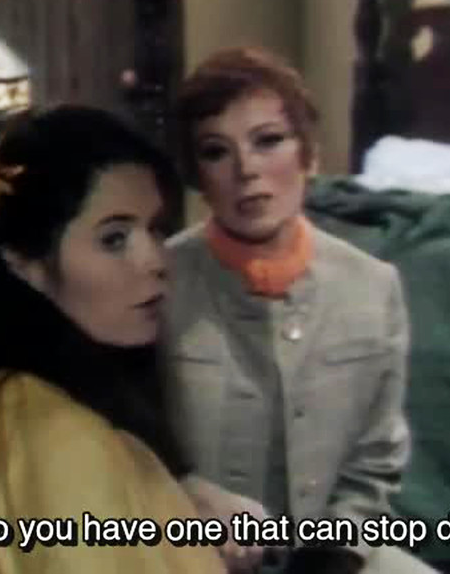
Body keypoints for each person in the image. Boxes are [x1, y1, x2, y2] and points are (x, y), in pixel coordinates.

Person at [165, 48, 436, 574]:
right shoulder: (158, 284)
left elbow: (375, 462)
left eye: (268, 141)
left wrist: (336, 553)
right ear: (197, 176)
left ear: (309, 155)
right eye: (216, 151)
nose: (247, 170)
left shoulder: (373, 287)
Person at [0, 105, 228, 574]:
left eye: (155, 229)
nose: (156, 260)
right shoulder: (50, 437)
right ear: (22, 262)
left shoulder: (47, 410)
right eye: (114, 239)